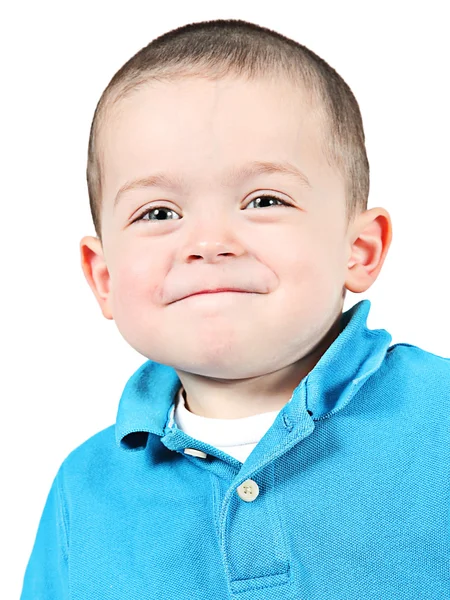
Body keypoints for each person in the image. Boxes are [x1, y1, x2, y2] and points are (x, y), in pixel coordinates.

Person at [21, 18, 449, 600]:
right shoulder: (83, 490)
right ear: (103, 277)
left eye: (264, 200)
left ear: (359, 249)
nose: (208, 242)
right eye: (158, 213)